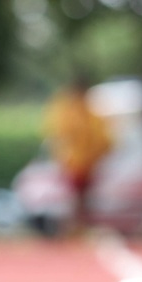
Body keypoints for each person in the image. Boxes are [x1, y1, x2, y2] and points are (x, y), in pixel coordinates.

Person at [44, 77, 114, 228]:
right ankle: (75, 226)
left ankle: (78, 226)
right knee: (76, 198)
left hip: (88, 162)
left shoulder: (89, 111)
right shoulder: (69, 110)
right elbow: (60, 134)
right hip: (74, 162)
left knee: (82, 198)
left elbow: (102, 138)